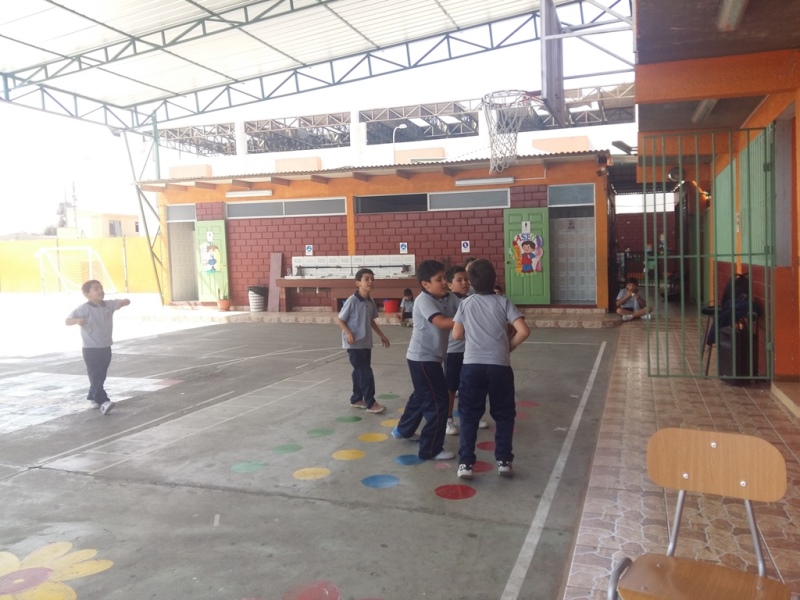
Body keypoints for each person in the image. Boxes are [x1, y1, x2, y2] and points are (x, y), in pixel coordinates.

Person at [452, 259, 530, 479]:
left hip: (472, 366)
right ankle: (504, 461)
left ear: (471, 282)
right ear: (494, 279)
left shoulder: (466, 304)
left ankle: (466, 464)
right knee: (504, 414)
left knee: (469, 415)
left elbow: (457, 334)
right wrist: (508, 347)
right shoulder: (503, 302)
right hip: (499, 366)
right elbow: (524, 331)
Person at [392, 259, 459, 460]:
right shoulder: (423, 300)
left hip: (433, 358)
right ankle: (431, 449)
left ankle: (403, 430)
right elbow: (442, 322)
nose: (444, 282)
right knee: (438, 402)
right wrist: (470, 320)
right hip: (422, 358)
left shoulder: (449, 297)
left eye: (445, 278)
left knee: (421, 396)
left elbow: (465, 308)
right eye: (439, 279)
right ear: (425, 284)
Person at [65, 280, 131, 415]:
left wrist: (124, 302)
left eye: (101, 288)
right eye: (96, 289)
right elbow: (67, 321)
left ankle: (92, 397)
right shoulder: (83, 309)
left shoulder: (109, 305)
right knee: (96, 374)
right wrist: (77, 321)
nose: (100, 291)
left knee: (101, 374)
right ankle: (103, 402)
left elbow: (125, 301)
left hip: (106, 346)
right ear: (87, 294)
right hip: (90, 348)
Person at [335, 268, 391, 414]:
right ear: (358, 283)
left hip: (366, 342)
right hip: (354, 344)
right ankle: (370, 403)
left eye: (372, 279)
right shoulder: (352, 301)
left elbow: (370, 320)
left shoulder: (370, 301)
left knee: (359, 371)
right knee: (365, 372)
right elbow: (340, 319)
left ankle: (356, 398)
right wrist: (348, 333)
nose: (370, 282)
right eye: (366, 279)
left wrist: (382, 335)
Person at [444, 265, 487, 435]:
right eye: (459, 280)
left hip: (471, 350)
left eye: (466, 279)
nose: (464, 283)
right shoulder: (448, 301)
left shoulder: (472, 298)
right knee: (451, 387)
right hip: (453, 351)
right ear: (449, 284)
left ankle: (470, 417)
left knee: (470, 386)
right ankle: (448, 419)